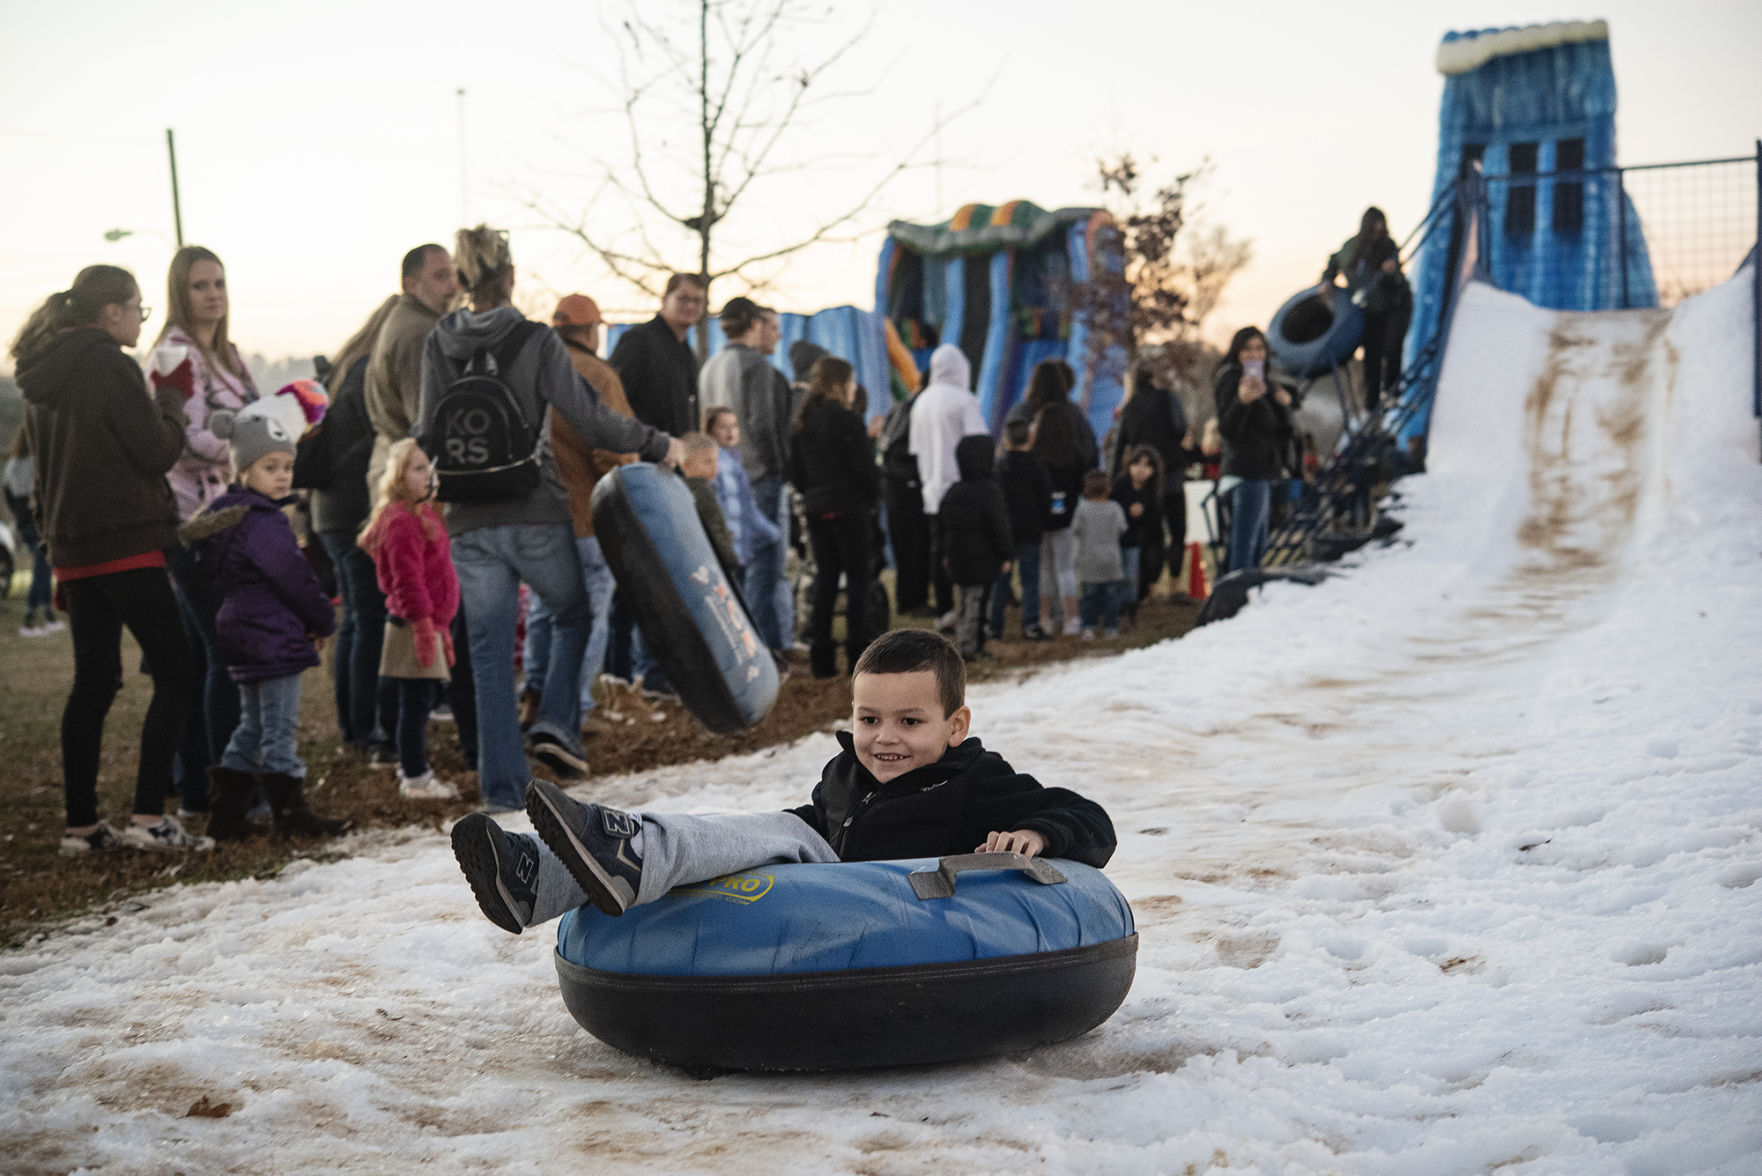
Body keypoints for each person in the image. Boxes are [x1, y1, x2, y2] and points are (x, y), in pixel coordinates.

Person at [449, 628, 1116, 934]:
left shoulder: (975, 780)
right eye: (869, 718)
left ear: (955, 725)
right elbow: (821, 821)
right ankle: (536, 881)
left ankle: (630, 847)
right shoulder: (848, 771)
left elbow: (1089, 818)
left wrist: (1037, 830)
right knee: (732, 832)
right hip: (822, 885)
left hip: (890, 910)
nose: (885, 738)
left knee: (772, 833)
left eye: (910, 721)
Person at [417, 225, 682, 813]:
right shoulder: (534, 339)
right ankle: (556, 723)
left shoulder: (440, 340)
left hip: (467, 518)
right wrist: (661, 444)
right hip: (534, 508)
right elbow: (592, 421)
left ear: (462, 279)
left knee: (488, 655)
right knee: (573, 613)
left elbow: (427, 430)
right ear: (510, 275)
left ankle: (502, 789)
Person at [13, 265, 207, 853]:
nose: (140, 320)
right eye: (138, 309)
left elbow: (41, 477)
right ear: (111, 313)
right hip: (127, 542)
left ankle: (82, 827)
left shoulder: (41, 378)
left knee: (94, 683)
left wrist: (53, 549)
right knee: (177, 671)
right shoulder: (110, 364)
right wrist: (172, 399)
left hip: (73, 547)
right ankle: (150, 818)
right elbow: (153, 453)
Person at [180, 410, 347, 841]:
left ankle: (227, 817)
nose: (282, 477)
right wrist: (323, 617)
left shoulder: (228, 519)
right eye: (269, 468)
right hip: (271, 634)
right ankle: (292, 816)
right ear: (242, 469)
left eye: (288, 467)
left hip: (241, 629)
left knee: (251, 725)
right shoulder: (264, 523)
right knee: (278, 726)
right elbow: (293, 577)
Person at [149, 245, 259, 819]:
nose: (212, 293)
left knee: (198, 658)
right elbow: (188, 437)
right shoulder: (173, 353)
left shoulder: (229, 356)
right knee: (224, 650)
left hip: (228, 516)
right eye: (198, 285)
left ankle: (197, 787)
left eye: (218, 282)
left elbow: (253, 416)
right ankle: (230, 787)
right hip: (192, 522)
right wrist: (254, 439)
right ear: (178, 292)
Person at [521, 294, 637, 733]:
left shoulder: (529, 372)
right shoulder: (596, 374)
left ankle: (535, 697)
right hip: (588, 517)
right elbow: (614, 448)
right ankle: (573, 709)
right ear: (591, 331)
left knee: (543, 612)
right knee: (589, 617)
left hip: (538, 518)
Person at [305, 295, 401, 761]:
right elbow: (375, 446)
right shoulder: (370, 373)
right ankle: (366, 727)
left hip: (328, 510)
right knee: (370, 618)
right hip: (353, 509)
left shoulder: (343, 368)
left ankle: (353, 724)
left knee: (357, 620)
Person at [358, 439, 460, 800]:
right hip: (416, 625)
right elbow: (407, 579)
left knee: (418, 700)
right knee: (415, 705)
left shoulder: (423, 513)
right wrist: (424, 626)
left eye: (429, 468)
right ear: (398, 477)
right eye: (418, 469)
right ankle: (416, 777)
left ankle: (412, 769)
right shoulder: (402, 522)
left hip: (432, 623)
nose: (428, 475)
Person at [698, 297, 794, 651]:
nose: (777, 335)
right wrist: (778, 469)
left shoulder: (709, 366)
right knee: (765, 567)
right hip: (756, 478)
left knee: (734, 567)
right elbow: (765, 424)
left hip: (718, 478)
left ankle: (751, 641)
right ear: (753, 324)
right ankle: (765, 646)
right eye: (771, 326)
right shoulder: (758, 369)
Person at [789, 356, 880, 679]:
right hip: (850, 506)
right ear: (842, 383)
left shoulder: (803, 421)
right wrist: (872, 497)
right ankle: (859, 655)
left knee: (826, 579)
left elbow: (796, 472)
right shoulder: (847, 420)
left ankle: (821, 659)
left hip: (816, 507)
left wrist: (812, 494)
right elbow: (864, 469)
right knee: (858, 580)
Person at [365, 244, 458, 490]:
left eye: (453, 274)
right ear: (410, 285)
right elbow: (425, 421)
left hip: (399, 464)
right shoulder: (419, 333)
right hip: (409, 473)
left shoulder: (407, 320)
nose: (453, 286)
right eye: (441, 276)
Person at [909, 344, 987, 623]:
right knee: (969, 548)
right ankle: (972, 609)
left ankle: (945, 608)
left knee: (938, 549)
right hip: (962, 488)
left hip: (931, 489)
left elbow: (916, 449)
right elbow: (978, 444)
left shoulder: (921, 402)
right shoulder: (964, 400)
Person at [1213, 326, 1297, 574]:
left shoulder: (1266, 384)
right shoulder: (1230, 379)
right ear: (1237, 352)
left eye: (1259, 348)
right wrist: (1241, 402)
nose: (1254, 354)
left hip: (1262, 473)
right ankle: (1235, 605)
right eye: (1247, 348)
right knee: (1245, 553)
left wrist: (1284, 405)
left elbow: (1282, 433)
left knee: (1252, 549)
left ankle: (1222, 604)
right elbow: (1226, 430)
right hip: (1244, 473)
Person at [1110, 362, 1194, 596]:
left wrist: (1116, 479)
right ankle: (1175, 584)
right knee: (1177, 532)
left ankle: (1149, 585)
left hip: (1143, 479)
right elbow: (1180, 427)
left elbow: (1120, 445)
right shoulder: (1168, 398)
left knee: (1151, 535)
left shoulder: (1130, 407)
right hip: (1172, 474)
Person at [1318, 206, 1412, 416]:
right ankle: (1371, 404)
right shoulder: (1350, 248)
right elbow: (1334, 261)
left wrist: (1391, 273)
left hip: (1395, 304)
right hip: (1370, 309)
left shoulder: (1389, 247)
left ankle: (1392, 393)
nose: (1378, 233)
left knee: (1392, 346)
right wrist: (1327, 280)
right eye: (1374, 228)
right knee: (1372, 354)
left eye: (1381, 228)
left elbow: (1397, 281)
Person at [935, 435, 1013, 660]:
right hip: (983, 560)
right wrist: (1005, 554)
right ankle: (972, 646)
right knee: (979, 604)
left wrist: (944, 554)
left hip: (958, 558)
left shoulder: (953, 492)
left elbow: (942, 527)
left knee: (966, 601)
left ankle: (966, 641)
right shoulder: (989, 492)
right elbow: (1000, 527)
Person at [1030, 388, 1099, 637]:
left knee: (1045, 568)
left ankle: (1045, 617)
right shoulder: (1073, 455)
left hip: (1041, 516)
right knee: (1066, 567)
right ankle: (1072, 618)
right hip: (1067, 514)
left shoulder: (1036, 457)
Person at [608, 273, 706, 439]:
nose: (690, 306)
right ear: (665, 299)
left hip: (678, 458)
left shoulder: (685, 350)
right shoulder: (639, 340)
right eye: (683, 298)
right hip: (645, 457)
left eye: (697, 300)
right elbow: (613, 401)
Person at [990, 416, 1051, 641]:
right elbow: (1046, 499)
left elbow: (995, 500)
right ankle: (1031, 624)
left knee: (1001, 581)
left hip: (1005, 532)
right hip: (1031, 530)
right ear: (1030, 439)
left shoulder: (999, 467)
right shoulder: (1037, 466)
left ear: (1006, 440)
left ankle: (994, 626)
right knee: (1030, 579)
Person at [876, 371, 932, 617]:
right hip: (904, 489)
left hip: (898, 488)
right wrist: (914, 478)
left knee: (910, 546)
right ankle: (912, 602)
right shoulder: (915, 408)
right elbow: (894, 451)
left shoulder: (907, 405)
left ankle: (911, 600)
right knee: (912, 545)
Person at [704, 406, 782, 579]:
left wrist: (773, 533)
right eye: (723, 427)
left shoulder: (735, 463)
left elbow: (748, 509)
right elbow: (718, 505)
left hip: (738, 549)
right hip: (728, 548)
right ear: (710, 432)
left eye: (734, 425)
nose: (730, 431)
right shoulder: (716, 464)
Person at [5, 433, 62, 636]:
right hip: (37, 520)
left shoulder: (12, 464)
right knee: (41, 567)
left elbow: (8, 494)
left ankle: (47, 614)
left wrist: (18, 514)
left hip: (22, 521)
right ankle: (31, 615)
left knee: (43, 566)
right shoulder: (36, 462)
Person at [1070, 469, 1128, 640]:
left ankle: (1088, 627)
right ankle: (1111, 627)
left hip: (1089, 561)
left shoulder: (1082, 509)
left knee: (1088, 597)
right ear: (1108, 489)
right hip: (1111, 561)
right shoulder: (1115, 508)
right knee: (1112, 597)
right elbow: (1122, 528)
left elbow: (1075, 529)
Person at [677, 432, 741, 581]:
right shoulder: (702, 493)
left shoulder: (679, 491)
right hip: (715, 564)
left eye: (715, 461)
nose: (714, 468)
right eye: (707, 462)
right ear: (686, 465)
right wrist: (730, 558)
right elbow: (715, 527)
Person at [1111, 445, 1164, 624]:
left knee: (1132, 577)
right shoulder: (1119, 486)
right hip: (1117, 541)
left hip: (1138, 541)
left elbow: (1154, 522)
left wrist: (1144, 511)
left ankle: (1130, 610)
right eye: (1137, 464)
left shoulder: (1152, 493)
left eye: (1147, 466)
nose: (1141, 470)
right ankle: (1116, 609)